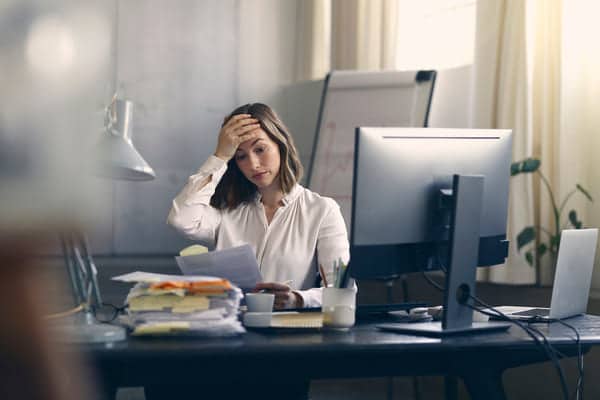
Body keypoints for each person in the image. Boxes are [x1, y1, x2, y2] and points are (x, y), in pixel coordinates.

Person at [167, 102, 349, 309]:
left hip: (288, 332)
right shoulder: (227, 212)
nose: (253, 164)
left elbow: (341, 290)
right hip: (230, 329)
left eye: (260, 149)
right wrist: (220, 156)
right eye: (241, 156)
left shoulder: (322, 210)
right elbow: (181, 220)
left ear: (280, 145)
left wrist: (297, 299)